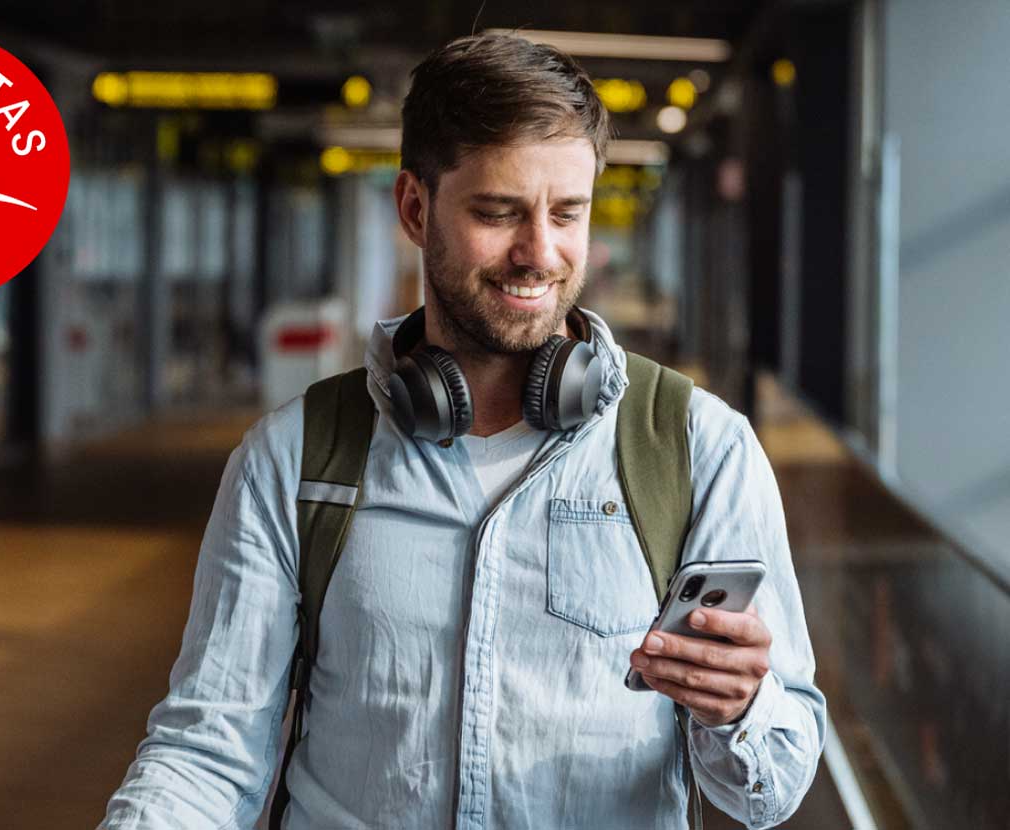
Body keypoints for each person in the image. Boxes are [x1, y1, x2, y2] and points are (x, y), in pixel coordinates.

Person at [98, 32, 825, 830]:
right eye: (499, 212)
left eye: (567, 214)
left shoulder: (699, 450)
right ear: (415, 207)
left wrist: (739, 710)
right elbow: (209, 750)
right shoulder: (293, 458)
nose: (539, 253)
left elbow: (773, 788)